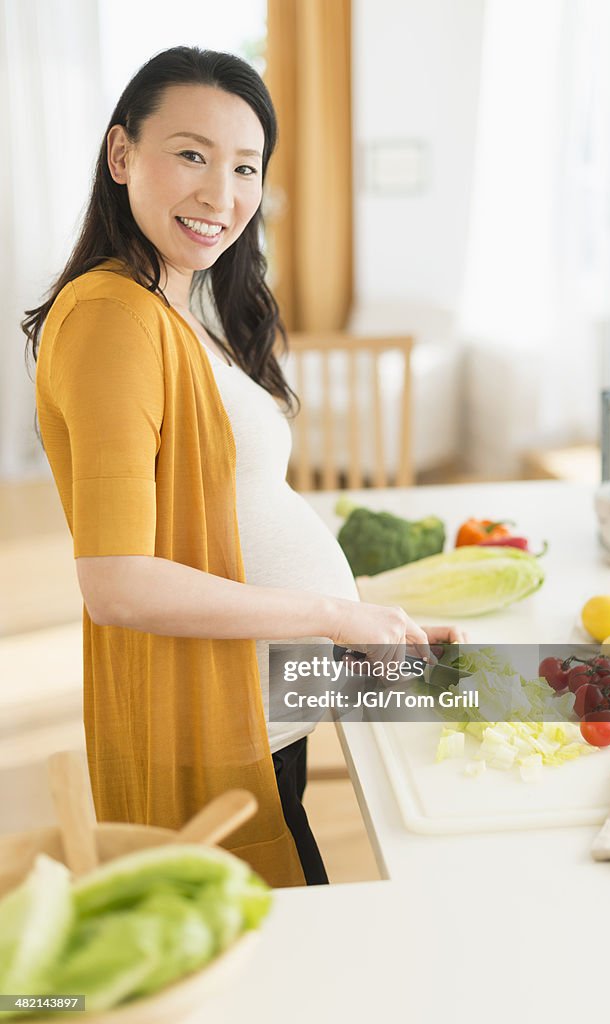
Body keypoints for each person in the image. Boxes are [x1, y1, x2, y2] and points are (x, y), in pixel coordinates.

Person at [24, 46, 465, 887]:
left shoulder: (181, 300)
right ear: (121, 156)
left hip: (261, 699)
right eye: (190, 153)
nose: (219, 195)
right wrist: (333, 616)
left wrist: (366, 627)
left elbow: (238, 512)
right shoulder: (114, 319)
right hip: (206, 718)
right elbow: (117, 582)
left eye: (244, 166)